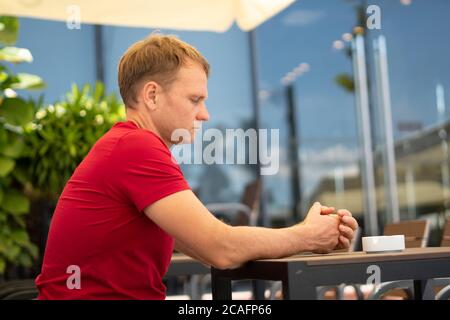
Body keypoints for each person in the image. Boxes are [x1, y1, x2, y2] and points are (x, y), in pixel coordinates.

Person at [35, 34, 358, 300]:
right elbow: (221, 248)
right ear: (151, 95)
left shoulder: (128, 145)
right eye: (195, 99)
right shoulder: (136, 148)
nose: (204, 114)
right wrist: (307, 236)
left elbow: (204, 245)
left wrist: (310, 234)